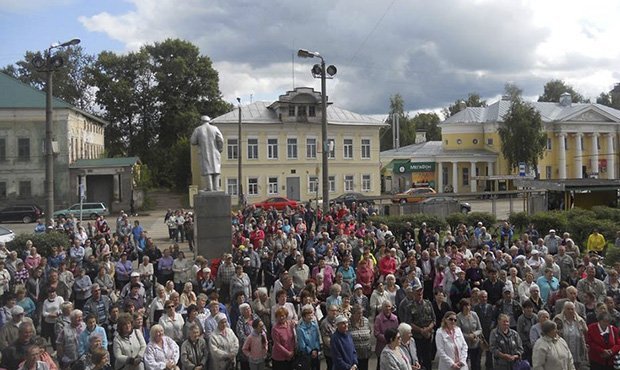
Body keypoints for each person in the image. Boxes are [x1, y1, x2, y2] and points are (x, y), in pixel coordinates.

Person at [190, 115, 224, 191]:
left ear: (201, 121)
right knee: (216, 169)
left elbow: (193, 141)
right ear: (209, 121)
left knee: (207, 169)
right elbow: (221, 139)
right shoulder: (215, 128)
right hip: (215, 152)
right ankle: (216, 188)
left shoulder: (198, 129)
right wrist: (220, 149)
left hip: (204, 152)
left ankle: (210, 188)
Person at [553, 301, 588, 370]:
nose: (570, 311)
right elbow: (553, 333)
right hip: (562, 353)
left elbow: (586, 330)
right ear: (564, 309)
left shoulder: (580, 320)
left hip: (577, 353)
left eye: (572, 309)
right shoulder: (558, 319)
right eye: (568, 309)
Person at [457, 299, 482, 370]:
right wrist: (468, 336)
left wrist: (474, 334)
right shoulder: (458, 317)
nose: (467, 307)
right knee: (464, 365)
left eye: (468, 305)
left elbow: (480, 329)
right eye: (465, 306)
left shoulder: (474, 314)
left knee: (476, 365)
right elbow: (458, 332)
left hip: (475, 343)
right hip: (464, 344)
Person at [297, 305, 321, 370]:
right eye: (308, 315)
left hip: (316, 352)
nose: (310, 317)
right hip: (306, 355)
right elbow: (302, 344)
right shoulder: (300, 329)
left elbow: (317, 339)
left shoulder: (314, 325)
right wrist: (311, 351)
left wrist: (316, 350)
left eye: (311, 315)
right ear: (304, 317)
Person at [349, 304, 372, 370]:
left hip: (365, 353)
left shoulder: (366, 321)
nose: (361, 315)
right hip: (353, 355)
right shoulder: (348, 323)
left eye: (362, 313)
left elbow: (370, 331)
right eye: (358, 313)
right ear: (353, 314)